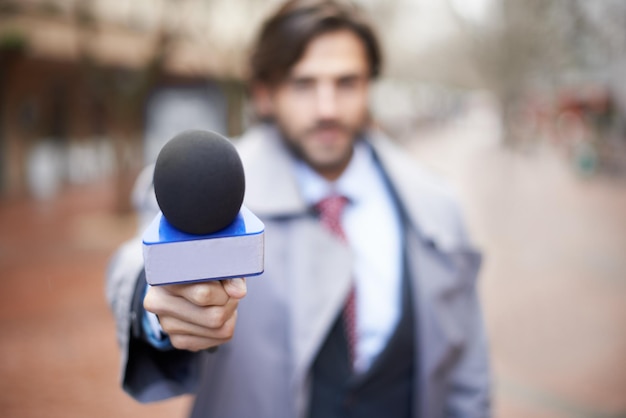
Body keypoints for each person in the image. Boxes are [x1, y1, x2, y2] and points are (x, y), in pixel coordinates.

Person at [106, 0, 491, 417]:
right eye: (304, 84)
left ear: (369, 87)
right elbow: (137, 263)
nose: (327, 108)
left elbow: (467, 372)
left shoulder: (434, 202)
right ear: (265, 93)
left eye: (346, 83)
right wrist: (160, 303)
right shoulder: (211, 186)